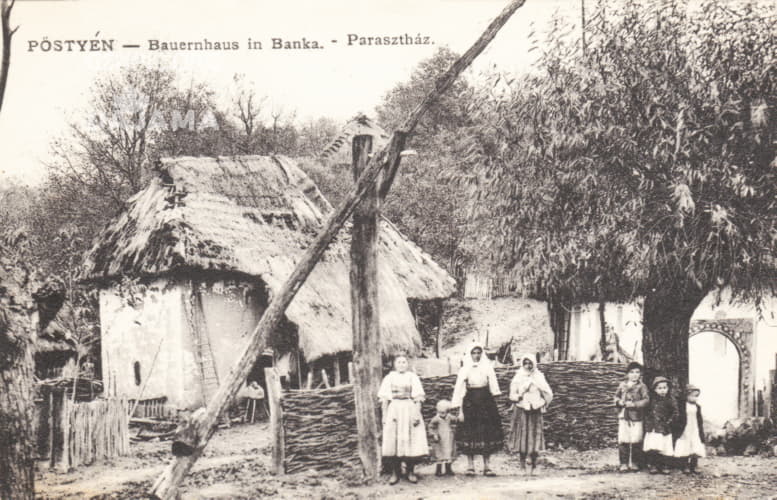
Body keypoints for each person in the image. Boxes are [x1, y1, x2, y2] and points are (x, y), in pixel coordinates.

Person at [451, 342, 503, 476]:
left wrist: (495, 406)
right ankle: (470, 466)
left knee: (487, 433)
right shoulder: (464, 369)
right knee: (470, 433)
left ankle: (487, 466)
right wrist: (460, 409)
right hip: (470, 402)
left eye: (479, 352)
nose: (476, 355)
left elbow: (493, 386)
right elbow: (459, 389)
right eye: (474, 352)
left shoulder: (488, 367)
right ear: (470, 354)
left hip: (486, 402)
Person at [378, 354, 428, 485]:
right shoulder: (389, 378)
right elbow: (384, 399)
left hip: (409, 409)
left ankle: (410, 471)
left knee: (410, 440)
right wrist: (384, 415)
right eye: (399, 362)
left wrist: (416, 414)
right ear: (395, 364)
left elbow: (418, 397)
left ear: (407, 364)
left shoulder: (412, 377)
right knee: (394, 441)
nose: (401, 364)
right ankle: (396, 472)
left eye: (404, 362)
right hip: (394, 410)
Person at [507, 353, 553, 475]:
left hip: (535, 411)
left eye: (530, 363)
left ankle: (534, 464)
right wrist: (518, 397)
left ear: (534, 363)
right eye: (525, 363)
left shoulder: (538, 377)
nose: (528, 366)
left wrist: (542, 402)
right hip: (522, 410)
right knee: (523, 436)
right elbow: (512, 395)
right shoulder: (518, 377)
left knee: (534, 436)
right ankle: (522, 464)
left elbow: (548, 393)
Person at [614, 362, 650, 471]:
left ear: (640, 374)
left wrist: (634, 404)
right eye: (632, 372)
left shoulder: (642, 386)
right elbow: (616, 396)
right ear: (627, 374)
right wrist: (619, 402)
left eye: (637, 372)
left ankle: (635, 462)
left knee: (636, 440)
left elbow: (646, 400)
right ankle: (623, 463)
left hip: (636, 416)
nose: (634, 375)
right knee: (623, 439)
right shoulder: (622, 385)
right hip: (624, 416)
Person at [643, 376, 677, 474]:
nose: (662, 390)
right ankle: (653, 465)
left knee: (665, 447)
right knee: (654, 446)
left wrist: (668, 422)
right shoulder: (652, 400)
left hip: (665, 427)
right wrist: (649, 423)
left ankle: (665, 466)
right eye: (659, 388)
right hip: (654, 427)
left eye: (664, 388)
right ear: (655, 389)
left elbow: (675, 413)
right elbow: (647, 412)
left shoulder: (670, 400)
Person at [673, 384, 706, 474]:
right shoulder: (682, 406)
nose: (695, 398)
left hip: (694, 428)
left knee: (695, 445)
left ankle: (694, 464)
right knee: (685, 445)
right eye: (692, 396)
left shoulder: (697, 407)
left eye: (696, 396)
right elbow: (679, 418)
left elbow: (699, 420)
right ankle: (685, 465)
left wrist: (701, 431)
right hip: (685, 428)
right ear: (686, 396)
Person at [428, 399, 458, 476]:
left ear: (448, 411)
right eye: (439, 412)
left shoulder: (450, 417)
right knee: (439, 453)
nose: (441, 414)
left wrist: (454, 427)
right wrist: (434, 434)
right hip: (439, 439)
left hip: (448, 438)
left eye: (443, 412)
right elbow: (430, 427)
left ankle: (448, 469)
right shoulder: (436, 419)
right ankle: (438, 470)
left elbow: (456, 420)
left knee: (448, 452)